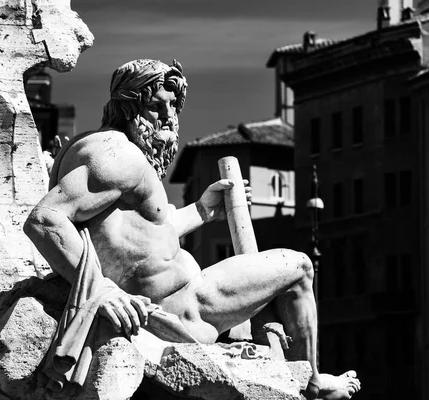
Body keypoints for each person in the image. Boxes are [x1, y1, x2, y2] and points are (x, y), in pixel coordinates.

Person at [24, 59, 360, 400]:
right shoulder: (120, 157)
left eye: (173, 106)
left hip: (174, 300)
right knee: (300, 266)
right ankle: (313, 381)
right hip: (186, 307)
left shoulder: (97, 150)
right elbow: (45, 220)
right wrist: (105, 292)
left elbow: (148, 236)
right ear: (128, 106)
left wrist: (202, 210)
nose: (168, 116)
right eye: (155, 105)